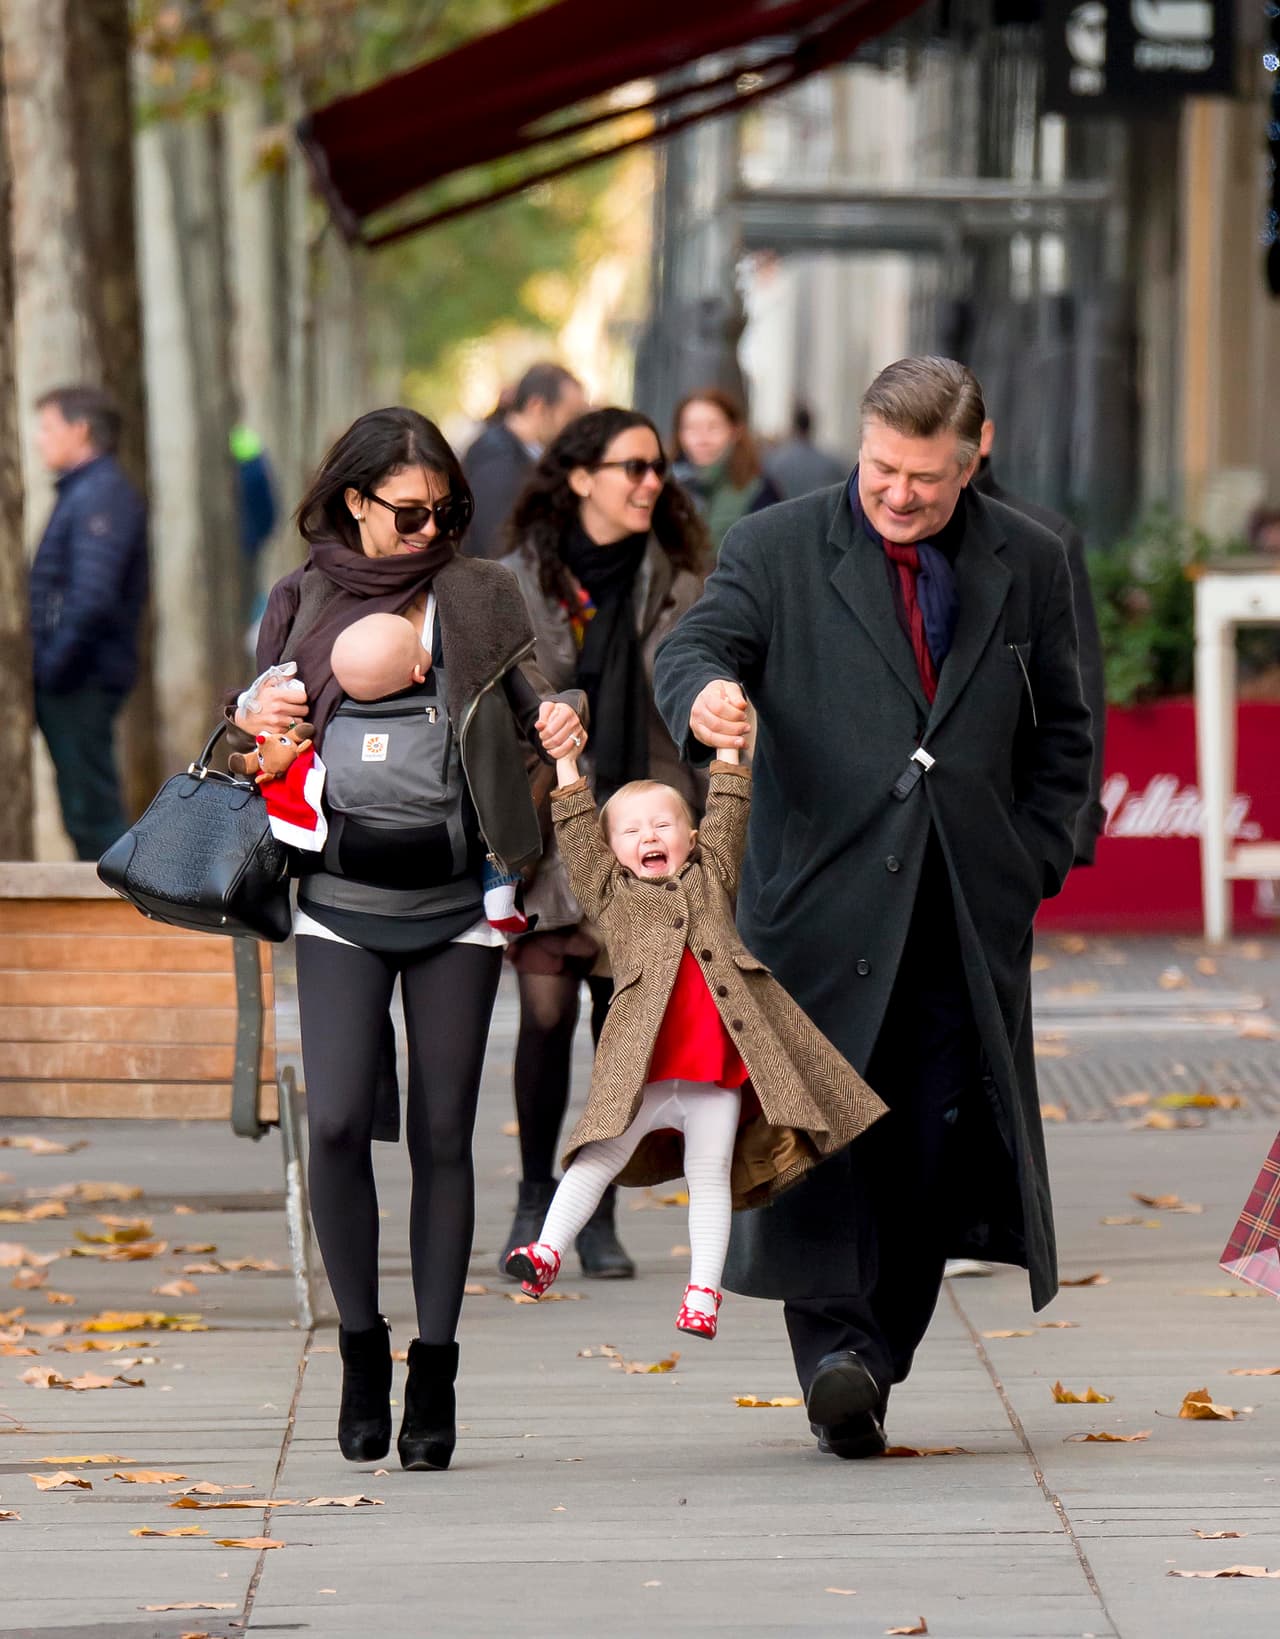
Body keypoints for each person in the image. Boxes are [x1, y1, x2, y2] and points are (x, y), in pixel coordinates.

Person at [654, 356, 1093, 1458]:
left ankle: (874, 1356)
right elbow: (698, 645)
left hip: (960, 908)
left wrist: (1032, 856)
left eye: (925, 479)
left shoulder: (1032, 558)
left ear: (973, 453)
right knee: (821, 1141)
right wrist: (703, 696)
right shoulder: (775, 545)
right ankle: (835, 1360)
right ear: (860, 443)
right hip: (817, 904)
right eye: (882, 469)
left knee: (932, 1150)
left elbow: (1066, 731)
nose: (898, 494)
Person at [227, 407, 586, 1472]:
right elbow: (258, 728)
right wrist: (255, 721)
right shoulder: (298, 598)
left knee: (440, 1131)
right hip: (336, 895)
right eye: (408, 512)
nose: (430, 530)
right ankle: (358, 1347)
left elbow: (536, 707)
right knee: (335, 1119)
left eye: (444, 513)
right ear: (353, 498)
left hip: (457, 903)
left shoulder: (476, 593)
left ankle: (434, 1369)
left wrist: (558, 723)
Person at [505, 742, 884, 1340]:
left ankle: (703, 1292)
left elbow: (730, 813)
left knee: (709, 1177)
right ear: (613, 850)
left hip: (716, 1070)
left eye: (663, 824)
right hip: (644, 1070)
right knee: (597, 1153)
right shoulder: (611, 893)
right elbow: (577, 835)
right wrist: (568, 767)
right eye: (630, 830)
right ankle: (548, 1249)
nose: (648, 836)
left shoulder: (713, 875)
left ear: (690, 836)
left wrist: (730, 752)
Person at [497, 408, 712, 1280]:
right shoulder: (517, 581)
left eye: (658, 468)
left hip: (650, 823)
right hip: (557, 817)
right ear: (580, 476)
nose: (651, 482)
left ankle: (597, 1208)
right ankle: (530, 1190)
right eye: (632, 467)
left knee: (620, 1023)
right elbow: (498, 699)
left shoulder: (685, 578)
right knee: (546, 1012)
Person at [972, 418, 1106, 866]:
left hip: (1001, 817)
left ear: (985, 437)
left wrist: (1076, 819)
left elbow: (1078, 683)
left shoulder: (1044, 539)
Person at [28, 385, 148, 861]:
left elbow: (92, 598)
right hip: (78, 673)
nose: (40, 439)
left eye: (47, 427)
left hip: (83, 677)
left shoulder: (101, 496)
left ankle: (129, 923)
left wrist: (53, 668)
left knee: (92, 813)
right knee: (84, 809)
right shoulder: (87, 491)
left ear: (80, 430)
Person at [462, 362, 588, 560]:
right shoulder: (498, 463)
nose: (576, 429)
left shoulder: (519, 454)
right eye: (570, 416)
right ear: (537, 407)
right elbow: (498, 550)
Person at [671, 387, 781, 555]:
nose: (702, 438)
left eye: (713, 427)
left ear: (734, 431)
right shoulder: (663, 485)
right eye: (691, 428)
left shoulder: (759, 490)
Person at [764, 404, 847, 501]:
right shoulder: (831, 464)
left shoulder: (774, 462)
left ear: (793, 426)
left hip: (785, 513)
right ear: (811, 426)